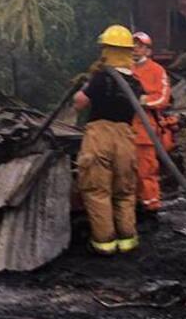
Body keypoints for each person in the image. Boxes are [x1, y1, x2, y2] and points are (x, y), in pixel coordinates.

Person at [73, 25, 143, 255]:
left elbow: (80, 102)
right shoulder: (135, 82)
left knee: (97, 190)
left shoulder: (102, 77)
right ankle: (127, 239)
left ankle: (104, 243)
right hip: (126, 137)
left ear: (107, 50)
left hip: (99, 134)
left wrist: (83, 87)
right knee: (124, 190)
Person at [130, 32, 171, 212]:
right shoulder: (125, 69)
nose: (135, 49)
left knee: (146, 170)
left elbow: (162, 98)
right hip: (123, 128)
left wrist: (142, 100)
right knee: (125, 171)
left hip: (145, 128)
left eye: (139, 46)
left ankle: (150, 205)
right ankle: (131, 206)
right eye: (133, 46)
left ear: (148, 50)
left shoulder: (157, 70)